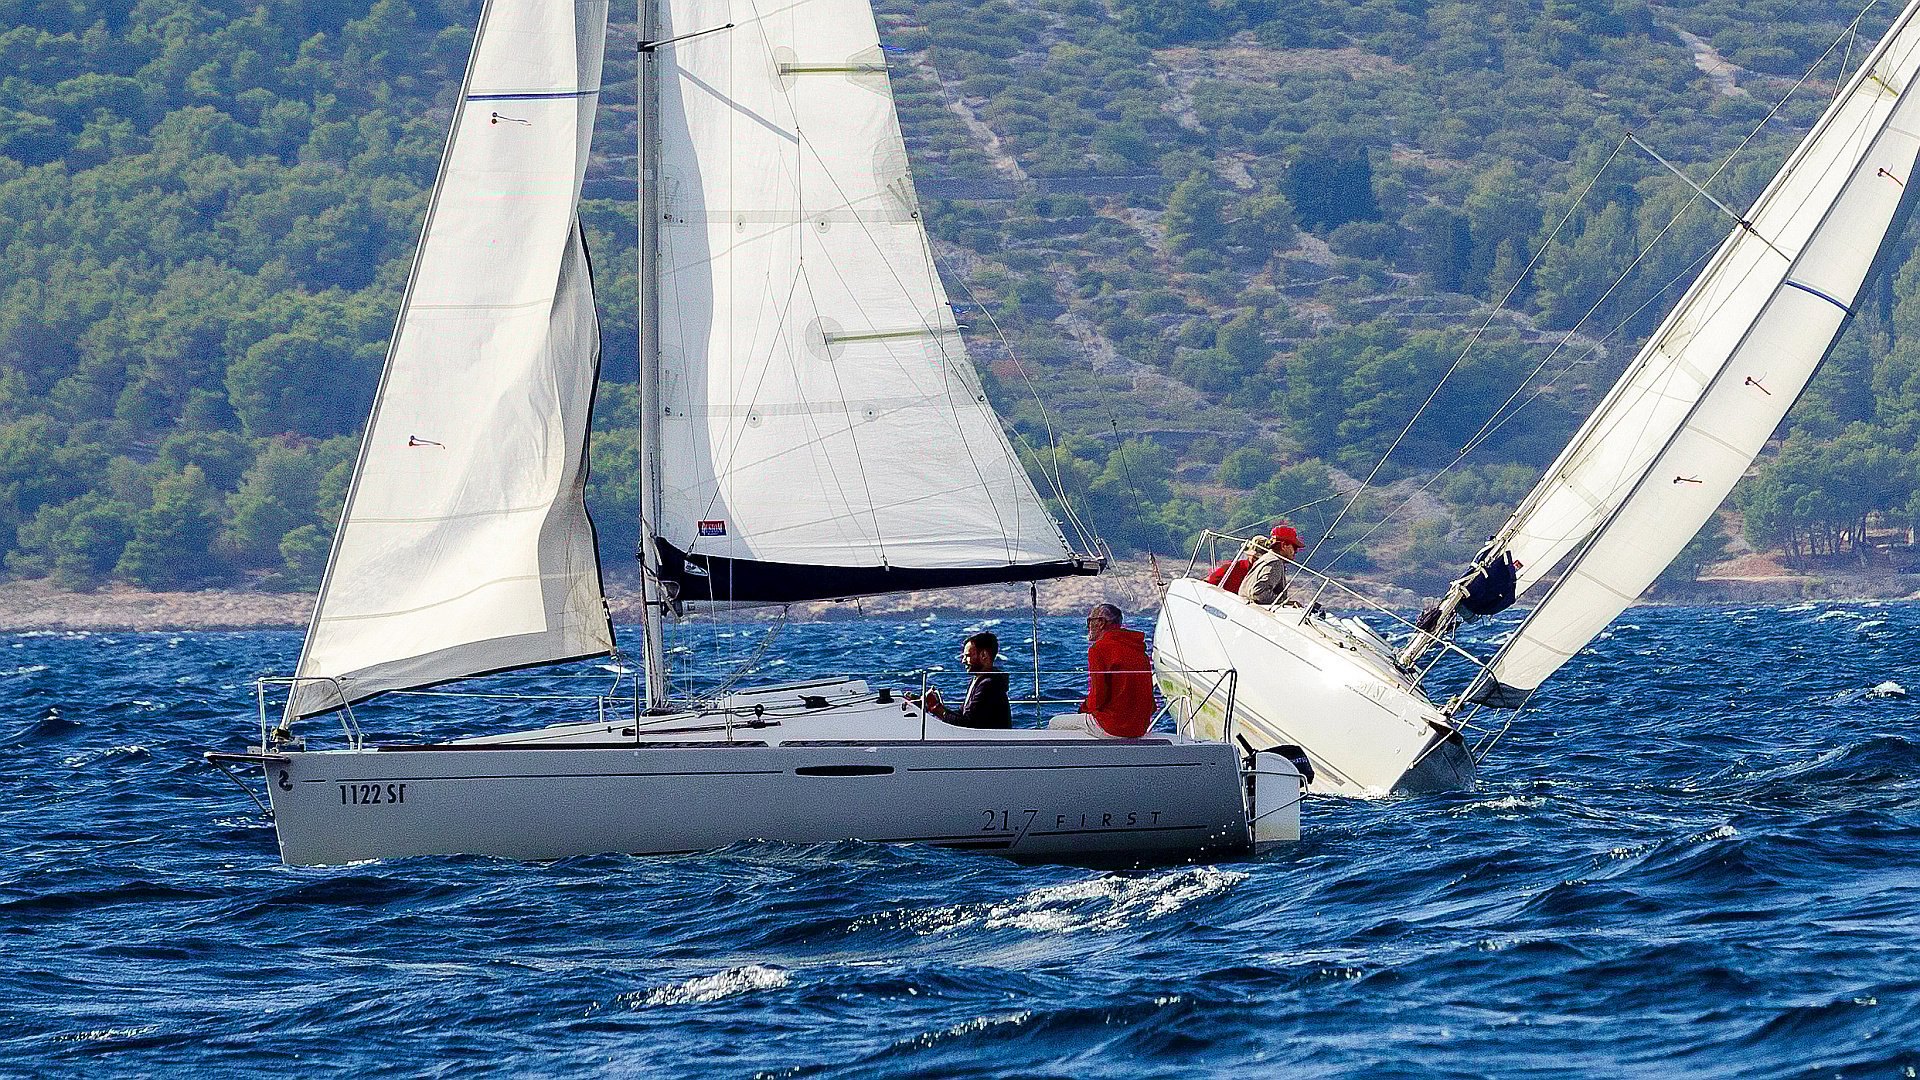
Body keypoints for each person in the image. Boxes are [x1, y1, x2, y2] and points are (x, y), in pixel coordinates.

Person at [1048, 603, 1155, 738]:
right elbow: (1151, 703)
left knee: (1055, 723)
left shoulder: (1099, 649)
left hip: (1114, 726)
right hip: (1139, 727)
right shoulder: (1139, 650)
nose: (1088, 626)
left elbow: (1098, 696)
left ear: (1101, 623)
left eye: (1089, 621)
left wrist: (1084, 709)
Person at [912, 631, 1011, 729]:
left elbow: (966, 724)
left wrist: (935, 707)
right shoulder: (979, 680)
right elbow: (962, 715)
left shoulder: (989, 685)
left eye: (967, 656)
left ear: (984, 655)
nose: (963, 661)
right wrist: (934, 705)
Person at [1240, 524, 1302, 606]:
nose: (1296, 551)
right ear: (1283, 546)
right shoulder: (1275, 563)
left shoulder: (1265, 558)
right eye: (1294, 547)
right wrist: (1284, 603)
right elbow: (1258, 593)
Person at [1205, 535, 1270, 593]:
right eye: (1254, 556)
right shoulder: (1232, 567)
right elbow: (1209, 583)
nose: (1254, 558)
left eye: (1257, 557)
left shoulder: (1266, 574)